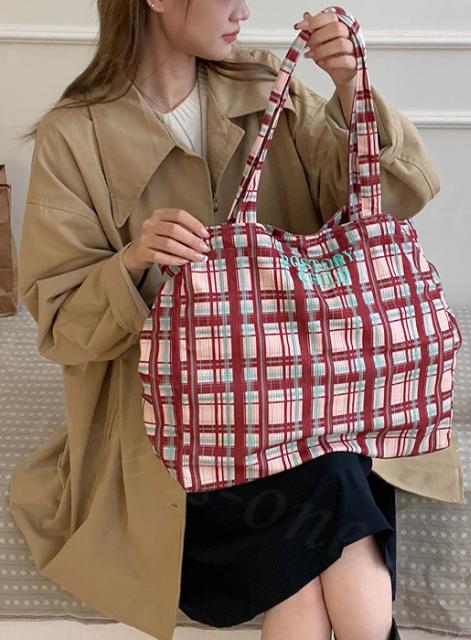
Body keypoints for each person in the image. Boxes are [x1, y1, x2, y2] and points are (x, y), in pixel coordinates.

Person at [11, 1, 445, 639]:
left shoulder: (270, 87)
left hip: (307, 391)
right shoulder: (75, 136)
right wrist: (133, 262)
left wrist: (351, 85)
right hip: (179, 426)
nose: (245, 8)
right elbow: (61, 326)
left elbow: (398, 198)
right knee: (325, 494)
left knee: (319, 503)